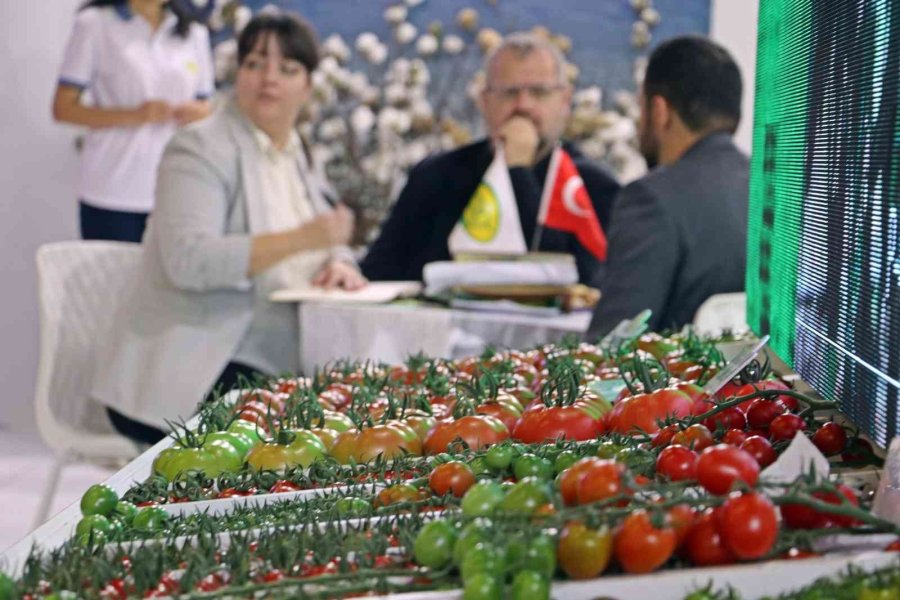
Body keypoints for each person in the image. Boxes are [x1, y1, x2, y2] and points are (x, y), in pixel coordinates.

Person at [91, 12, 366, 444]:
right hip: (192, 364)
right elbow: (189, 261)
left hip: (273, 354)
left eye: (287, 68)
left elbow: (327, 228)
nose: (268, 78)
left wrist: (340, 262)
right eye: (255, 63)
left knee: (358, 410)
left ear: (308, 86)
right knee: (307, 439)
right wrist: (305, 240)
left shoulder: (296, 150)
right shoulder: (199, 147)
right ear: (238, 73)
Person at [360, 32, 620, 284]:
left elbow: (575, 279)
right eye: (509, 93)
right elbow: (377, 273)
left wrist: (518, 169)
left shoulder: (593, 188)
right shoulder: (436, 176)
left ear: (565, 100)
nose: (523, 105)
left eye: (539, 93)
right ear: (485, 101)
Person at [586, 36, 749, 338]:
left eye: (641, 109)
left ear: (660, 111)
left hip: (679, 383)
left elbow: (614, 342)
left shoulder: (651, 199)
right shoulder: (779, 194)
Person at [53, 0, 214, 242]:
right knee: (112, 278)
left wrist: (197, 112)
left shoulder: (194, 32)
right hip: (113, 189)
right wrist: (135, 115)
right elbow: (63, 108)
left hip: (178, 189)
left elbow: (207, 106)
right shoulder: (95, 23)